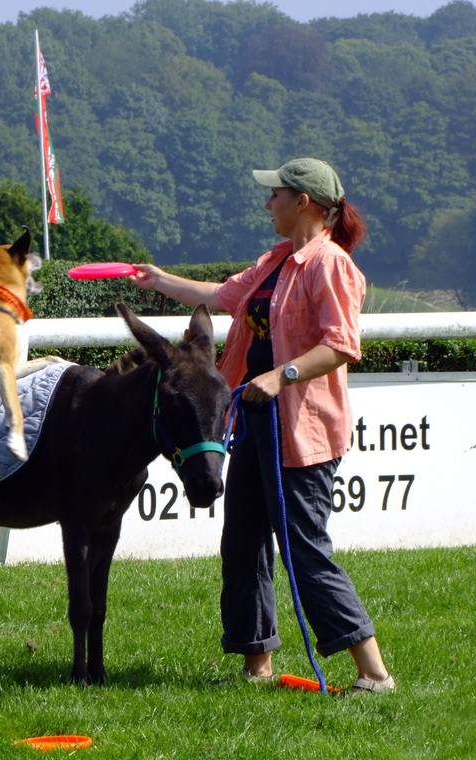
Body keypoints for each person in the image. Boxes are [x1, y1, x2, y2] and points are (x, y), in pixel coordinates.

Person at [130, 157, 395, 693]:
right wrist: (156, 280)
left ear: (303, 202)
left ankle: (374, 674)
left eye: (275, 194)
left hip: (303, 433)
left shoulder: (332, 266)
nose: (267, 202)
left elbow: (342, 344)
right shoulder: (276, 261)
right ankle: (257, 668)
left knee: (304, 549)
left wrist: (282, 375)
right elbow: (218, 297)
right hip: (252, 424)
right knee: (243, 541)